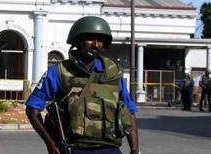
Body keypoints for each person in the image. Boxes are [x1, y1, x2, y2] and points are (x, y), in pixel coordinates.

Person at [25, 16, 140, 154]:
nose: (96, 44)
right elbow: (32, 109)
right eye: (90, 39)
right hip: (74, 149)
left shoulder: (113, 73)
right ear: (78, 41)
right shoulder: (59, 72)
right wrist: (50, 142)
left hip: (110, 149)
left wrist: (134, 149)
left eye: (100, 40)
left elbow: (129, 112)